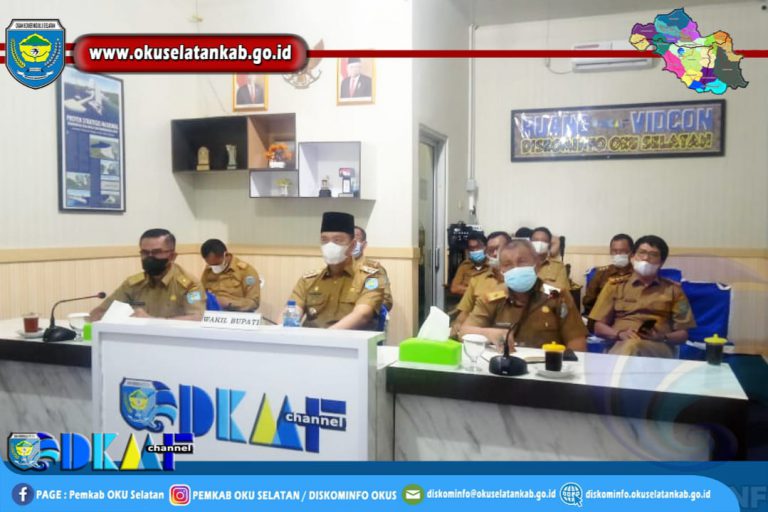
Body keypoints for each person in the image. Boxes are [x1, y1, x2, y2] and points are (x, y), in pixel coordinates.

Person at [461, 239, 587, 352]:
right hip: (506, 365)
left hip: (547, 366)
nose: (515, 268)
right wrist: (489, 334)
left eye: (522, 262)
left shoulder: (557, 295)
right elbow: (464, 332)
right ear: (501, 270)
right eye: (508, 265)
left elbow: (577, 344)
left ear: (537, 264)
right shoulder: (492, 297)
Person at [589, 235, 696, 358]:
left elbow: (683, 333)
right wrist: (619, 334)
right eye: (642, 253)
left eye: (653, 255)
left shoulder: (673, 290)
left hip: (658, 347)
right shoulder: (614, 286)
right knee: (631, 346)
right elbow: (598, 327)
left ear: (661, 262)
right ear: (632, 257)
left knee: (634, 346)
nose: (646, 258)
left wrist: (662, 337)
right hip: (620, 343)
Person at [287, 212, 384, 329]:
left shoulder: (370, 278)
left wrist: (327, 336)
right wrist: (282, 329)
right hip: (311, 338)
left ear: (353, 245)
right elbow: (291, 311)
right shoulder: (308, 280)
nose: (330, 245)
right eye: (324, 240)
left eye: (338, 240)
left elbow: (362, 315)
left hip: (350, 339)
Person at [90, 229, 204, 321]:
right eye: (144, 253)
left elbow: (197, 318)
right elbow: (98, 313)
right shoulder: (132, 284)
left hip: (173, 340)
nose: (150, 258)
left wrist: (152, 321)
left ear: (172, 256)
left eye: (156, 252)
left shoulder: (190, 285)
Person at [451, 231, 511, 338]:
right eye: (491, 250)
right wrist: (457, 327)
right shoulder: (477, 280)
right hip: (481, 338)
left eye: (499, 249)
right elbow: (462, 317)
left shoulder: (523, 279)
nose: (495, 254)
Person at [200, 239, 261, 312]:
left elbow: (254, 303)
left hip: (236, 314)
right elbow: (200, 292)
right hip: (212, 313)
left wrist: (229, 303)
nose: (214, 268)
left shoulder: (246, 271)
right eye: (211, 264)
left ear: (225, 255)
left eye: (217, 264)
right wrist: (191, 298)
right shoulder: (209, 270)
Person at [582, 234, 634, 316]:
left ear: (632, 253)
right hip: (602, 316)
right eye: (615, 251)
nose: (618, 254)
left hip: (629, 316)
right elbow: (589, 301)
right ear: (610, 252)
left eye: (623, 251)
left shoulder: (638, 274)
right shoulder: (600, 273)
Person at [352, 226, 393, 312]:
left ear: (364, 244)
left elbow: (386, 300)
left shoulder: (373, 270)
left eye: (356, 239)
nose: (352, 243)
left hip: (364, 316)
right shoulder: (335, 269)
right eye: (349, 239)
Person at [530, 226, 570, 291]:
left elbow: (561, 291)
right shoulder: (521, 264)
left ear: (549, 244)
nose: (539, 243)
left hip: (549, 298)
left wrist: (538, 285)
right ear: (530, 242)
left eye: (544, 241)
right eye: (536, 240)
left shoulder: (558, 266)